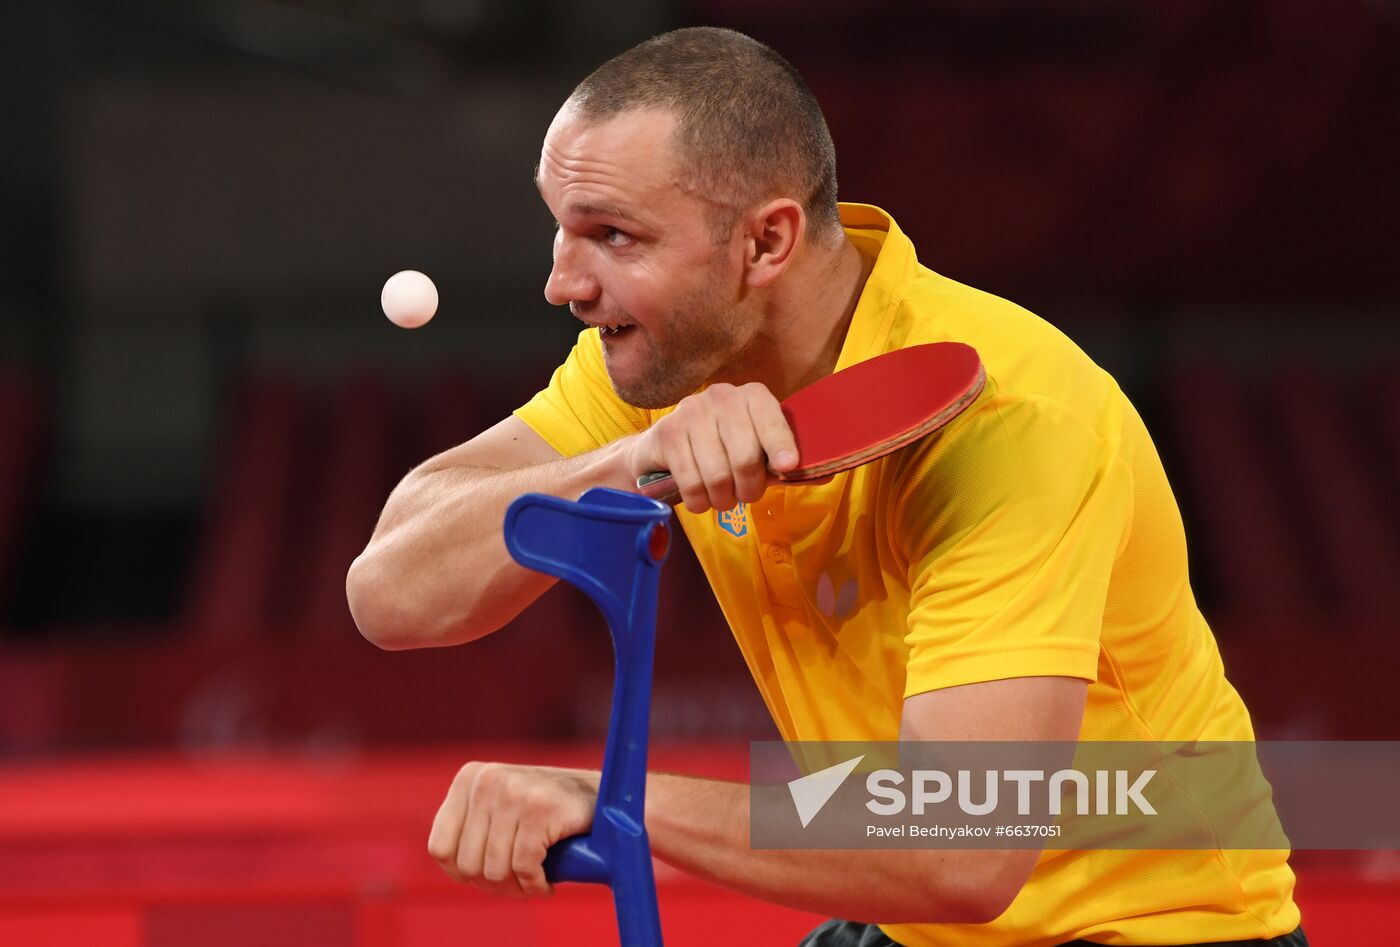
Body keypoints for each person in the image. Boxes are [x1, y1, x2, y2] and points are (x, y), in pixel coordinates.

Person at [346, 26, 1305, 947]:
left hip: (1152, 928)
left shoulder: (1013, 422)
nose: (562, 282)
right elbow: (389, 594)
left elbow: (962, 850)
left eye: (613, 236)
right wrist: (620, 466)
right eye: (561, 228)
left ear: (766, 243)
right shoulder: (664, 367)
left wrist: (613, 799)